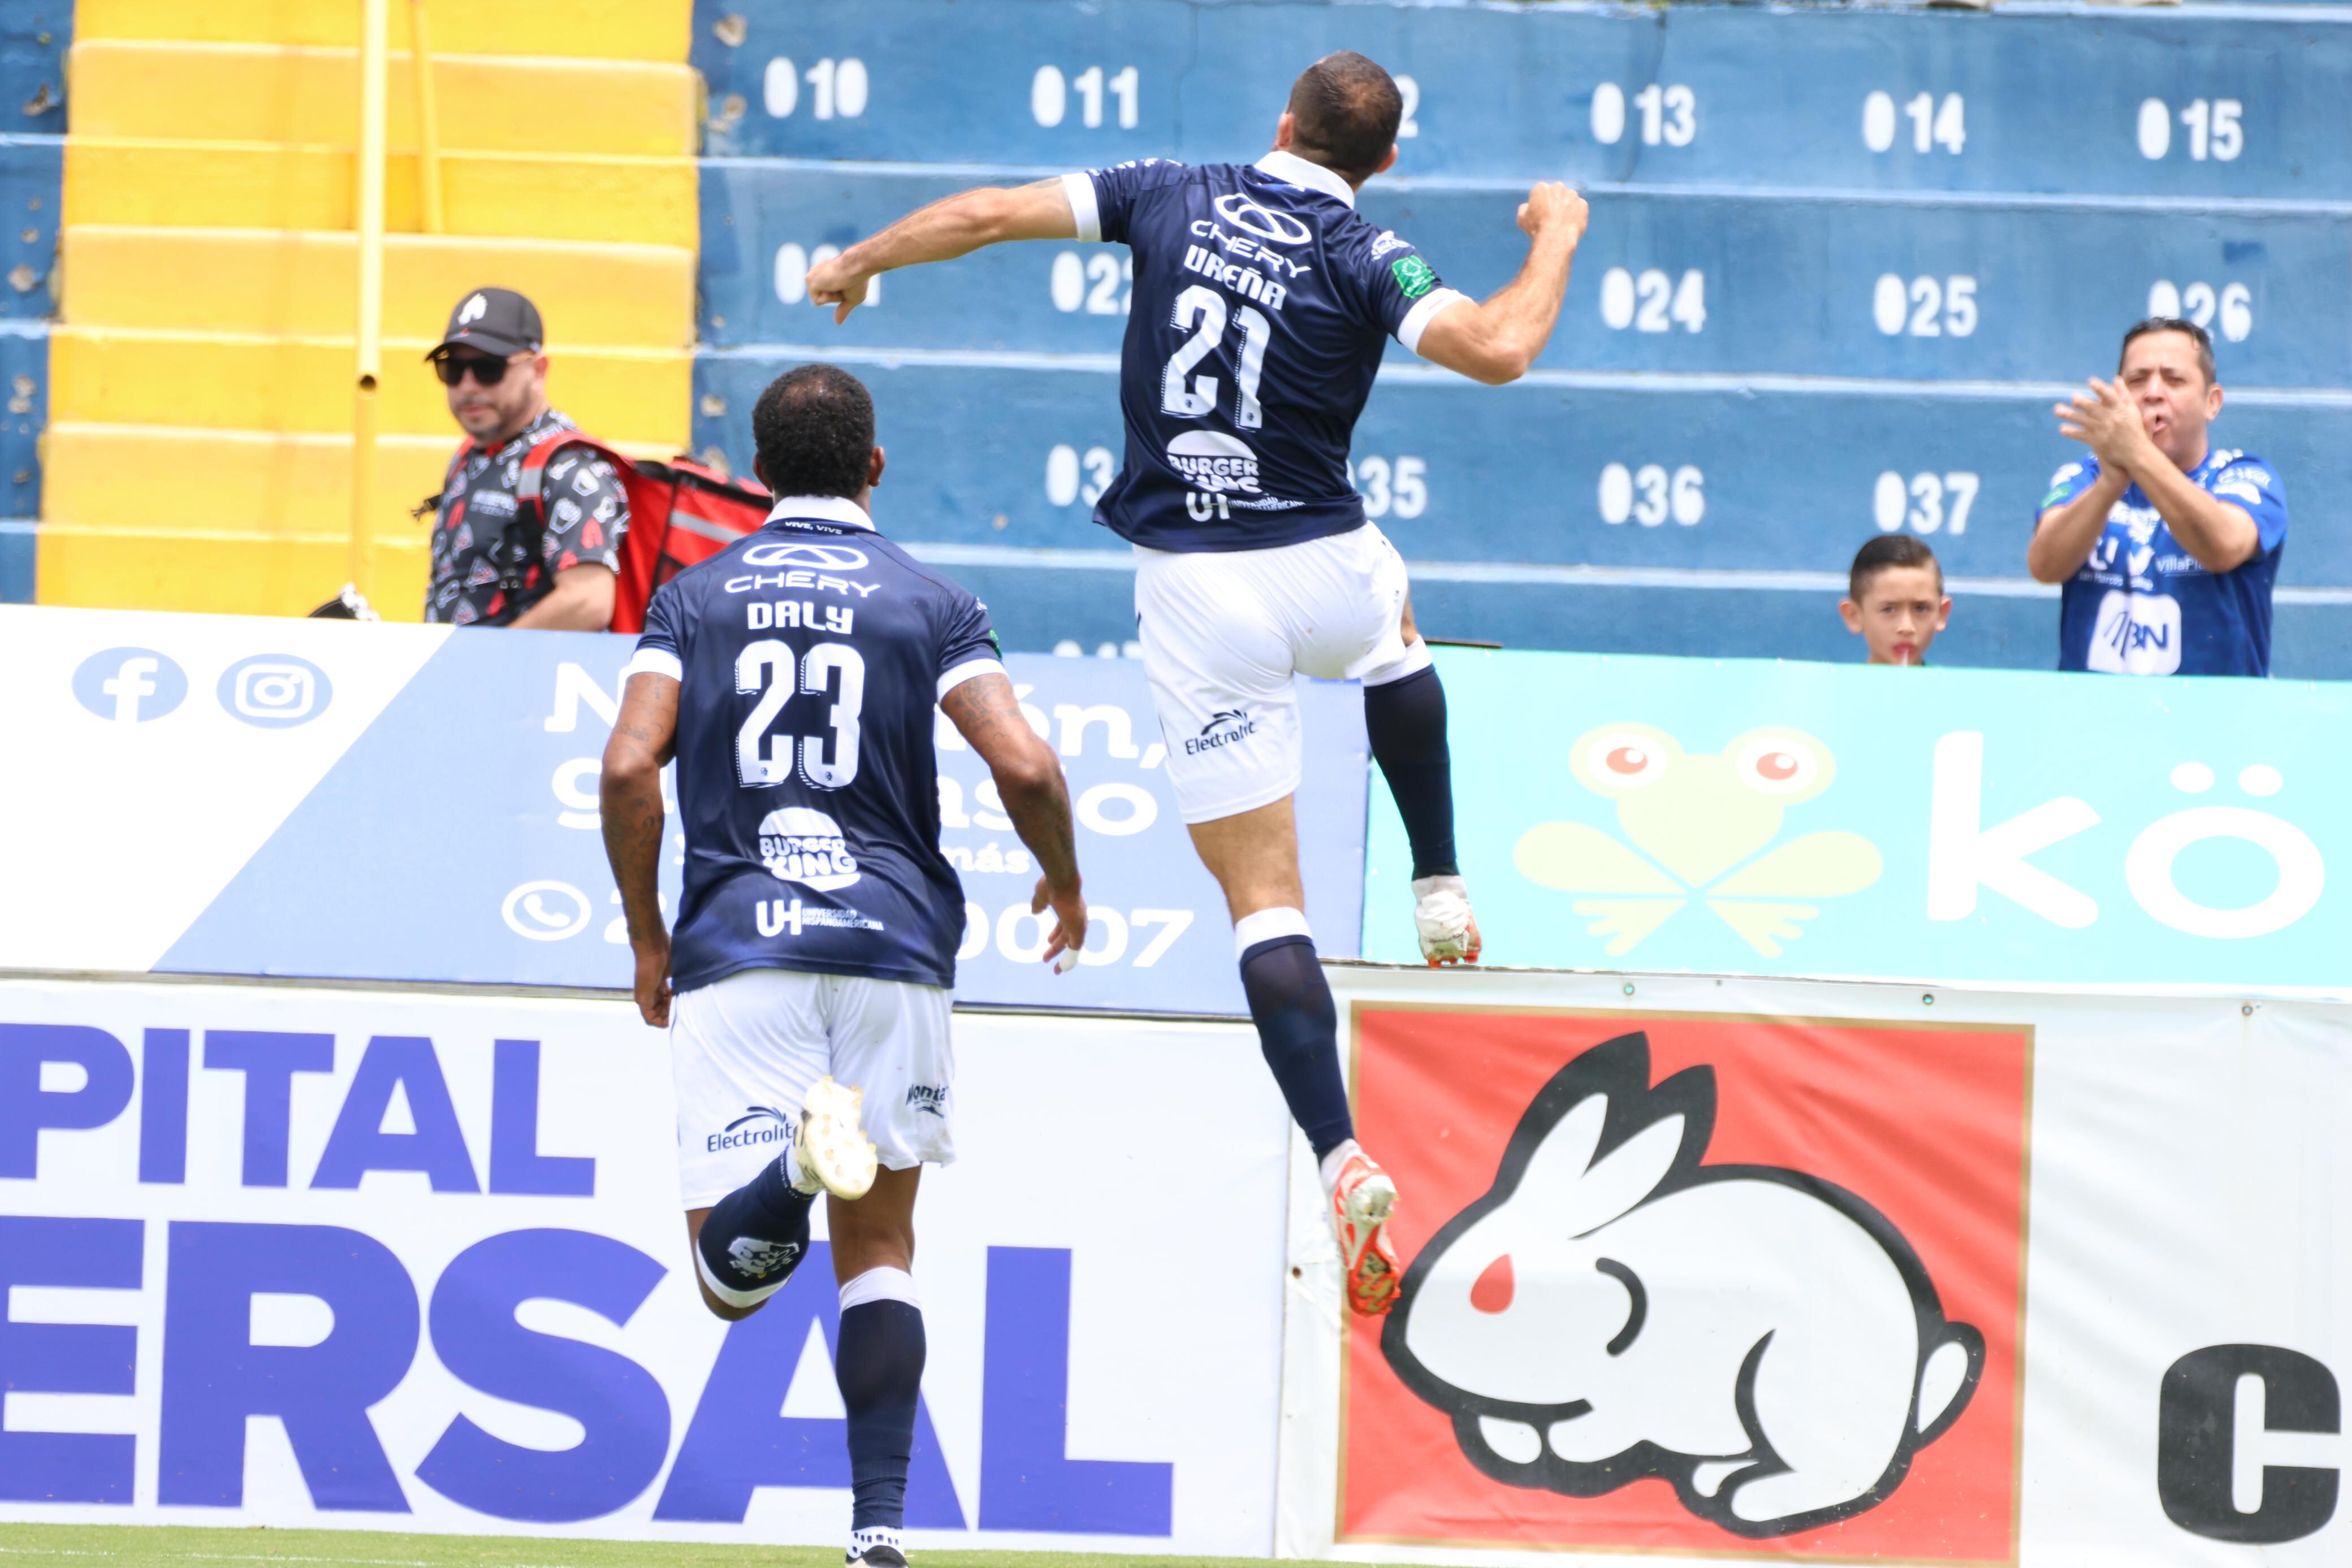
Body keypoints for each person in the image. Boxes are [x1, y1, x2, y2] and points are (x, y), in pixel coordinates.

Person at [804, 51, 1590, 1316]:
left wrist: (861, 261)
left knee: (1262, 905)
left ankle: (1339, 1154)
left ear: (1280, 123)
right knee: (1392, 624)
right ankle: (1438, 877)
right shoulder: (1369, 253)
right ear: (1380, 161)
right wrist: (1555, 233)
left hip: (1193, 589)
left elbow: (989, 212)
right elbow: (1499, 348)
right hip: (1321, 558)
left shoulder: (1167, 189)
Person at [599, 364, 1084, 1568]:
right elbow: (1023, 765)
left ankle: (793, 1166)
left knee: (732, 1284)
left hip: (738, 941)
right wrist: (1064, 879)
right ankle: (877, 1529)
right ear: (875, 465)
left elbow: (625, 769)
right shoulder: (931, 599)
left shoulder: (693, 597)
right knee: (881, 1252)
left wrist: (648, 935)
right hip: (894, 943)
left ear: (760, 473)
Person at [2028, 317, 2287, 676]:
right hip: (2097, 722)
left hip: (2214, 725)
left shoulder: (2248, 477)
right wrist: (2109, 486)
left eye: (2174, 379)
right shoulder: (2085, 477)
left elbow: (2223, 546)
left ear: (2212, 403)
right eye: (2137, 380)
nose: (2152, 392)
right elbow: (2044, 566)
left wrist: (2137, 455)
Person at [422, 287, 629, 629]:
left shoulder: (570, 467)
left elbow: (589, 600)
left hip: (523, 680)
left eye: (489, 368)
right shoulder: (469, 455)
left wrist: (488, 670)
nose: (469, 385)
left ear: (538, 369)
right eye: (453, 369)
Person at [1840, 535, 1949, 665]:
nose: (1907, 627)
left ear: (1942, 613)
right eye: (1889, 610)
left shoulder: (1954, 686)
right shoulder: (1839, 686)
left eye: (1921, 608)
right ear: (1853, 616)